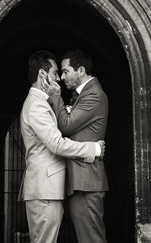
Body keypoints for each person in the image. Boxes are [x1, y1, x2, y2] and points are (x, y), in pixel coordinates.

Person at [19, 50, 104, 243]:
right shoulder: (36, 105)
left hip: (47, 188)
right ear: (43, 74)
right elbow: (56, 144)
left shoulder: (41, 102)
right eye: (56, 73)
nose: (59, 78)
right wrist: (93, 149)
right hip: (44, 188)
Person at [50, 49, 108, 243]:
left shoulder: (94, 95)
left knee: (91, 239)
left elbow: (66, 125)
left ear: (81, 70)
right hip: (81, 181)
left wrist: (56, 97)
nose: (62, 77)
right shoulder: (83, 95)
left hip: (86, 181)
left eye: (66, 71)